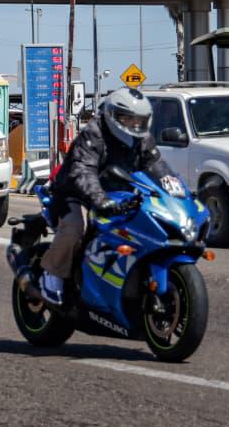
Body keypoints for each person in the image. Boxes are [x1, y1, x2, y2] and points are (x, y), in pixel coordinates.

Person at [38, 87, 178, 306]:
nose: (134, 124)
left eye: (139, 120)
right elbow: (83, 171)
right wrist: (100, 200)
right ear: (112, 115)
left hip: (118, 194)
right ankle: (52, 273)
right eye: (128, 118)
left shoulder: (142, 139)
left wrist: (176, 191)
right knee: (76, 227)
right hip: (75, 193)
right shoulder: (94, 134)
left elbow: (157, 166)